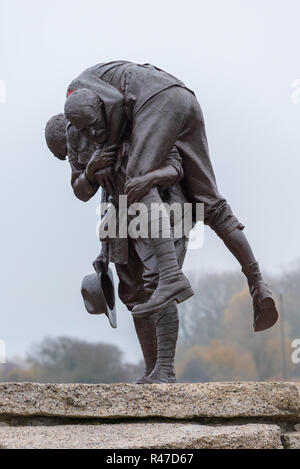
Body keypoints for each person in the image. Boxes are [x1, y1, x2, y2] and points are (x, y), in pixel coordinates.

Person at [63, 61, 278, 331]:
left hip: (158, 102)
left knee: (137, 177)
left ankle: (171, 276)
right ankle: (257, 283)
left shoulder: (84, 92)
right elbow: (81, 183)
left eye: (92, 126)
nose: (91, 135)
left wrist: (110, 151)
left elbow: (117, 105)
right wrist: (94, 168)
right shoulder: (92, 104)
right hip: (184, 99)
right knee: (211, 203)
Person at [45, 113, 190, 383]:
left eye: (66, 151)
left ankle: (165, 369)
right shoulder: (81, 145)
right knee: (134, 294)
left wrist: (146, 181)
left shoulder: (130, 124)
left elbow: (176, 167)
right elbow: (85, 190)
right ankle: (152, 369)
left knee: (159, 283)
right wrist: (90, 169)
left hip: (165, 211)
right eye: (66, 154)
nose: (70, 156)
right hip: (121, 220)